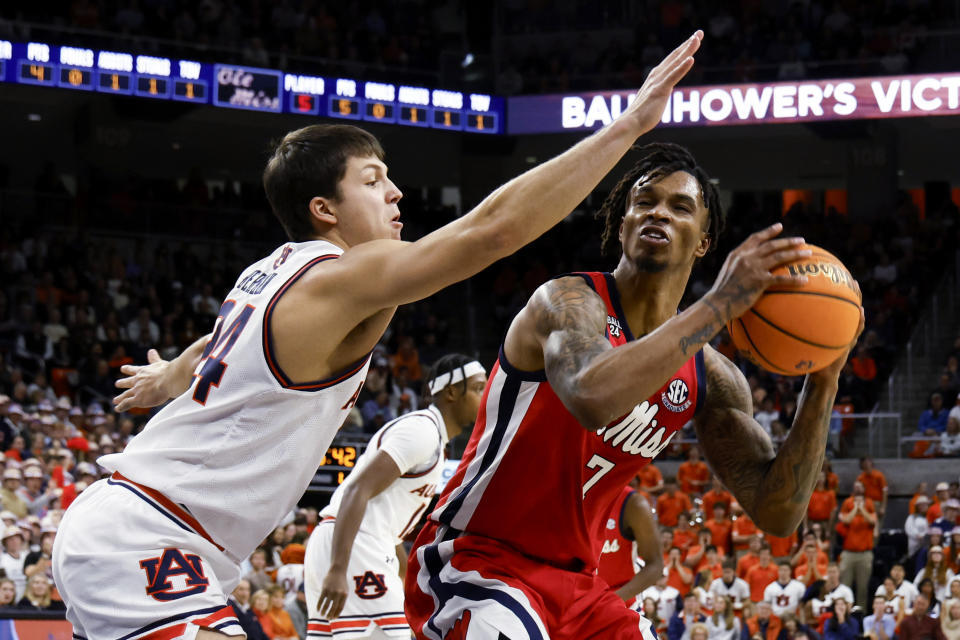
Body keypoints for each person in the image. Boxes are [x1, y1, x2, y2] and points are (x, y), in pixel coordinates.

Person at [54, 38, 718, 640]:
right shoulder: (345, 274)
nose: (396, 192)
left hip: (146, 534)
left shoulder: (271, 274)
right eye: (372, 181)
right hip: (148, 541)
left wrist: (171, 376)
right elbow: (491, 232)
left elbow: (217, 348)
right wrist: (629, 126)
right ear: (325, 211)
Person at [405, 48, 864, 640]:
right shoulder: (568, 302)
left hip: (578, 585)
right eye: (642, 202)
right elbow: (591, 394)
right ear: (620, 226)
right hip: (479, 560)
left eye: (680, 207)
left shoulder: (712, 377)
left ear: (704, 241)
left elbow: (777, 512)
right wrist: (718, 305)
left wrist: (824, 376)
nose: (658, 213)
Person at [305, 355, 487, 638]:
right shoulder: (422, 431)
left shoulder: (433, 438)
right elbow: (357, 490)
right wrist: (339, 567)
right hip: (355, 546)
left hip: (351, 542)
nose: (484, 396)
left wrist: (403, 583)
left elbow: (392, 532)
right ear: (452, 392)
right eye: (478, 388)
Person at [597, 483, 665, 608]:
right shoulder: (568, 497)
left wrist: (611, 601)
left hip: (621, 602)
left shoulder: (633, 503)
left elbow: (656, 565)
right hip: (578, 602)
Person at [838, 481, 877, 609]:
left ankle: (861, 615)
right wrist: (855, 508)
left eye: (861, 486)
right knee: (845, 586)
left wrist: (862, 508)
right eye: (856, 487)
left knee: (863, 587)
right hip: (848, 553)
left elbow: (873, 520)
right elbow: (846, 520)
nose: (858, 489)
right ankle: (844, 613)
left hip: (864, 554)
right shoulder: (847, 504)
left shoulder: (869, 504)